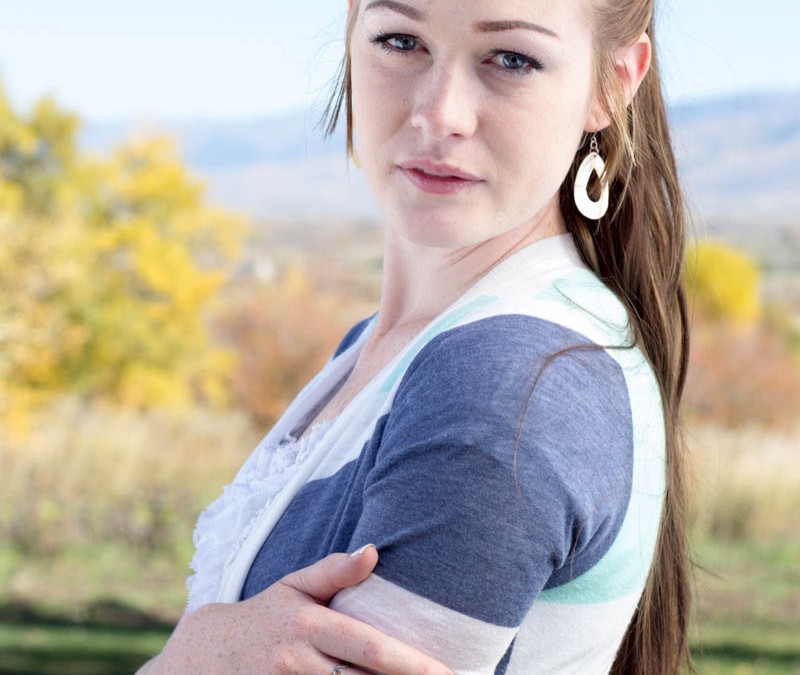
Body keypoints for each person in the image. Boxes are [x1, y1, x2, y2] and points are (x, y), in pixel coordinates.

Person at [138, 0, 692, 672]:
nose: (440, 114)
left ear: (611, 84)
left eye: (512, 59)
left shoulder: (506, 379)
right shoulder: (379, 344)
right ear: (351, 33)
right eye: (401, 40)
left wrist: (191, 657)